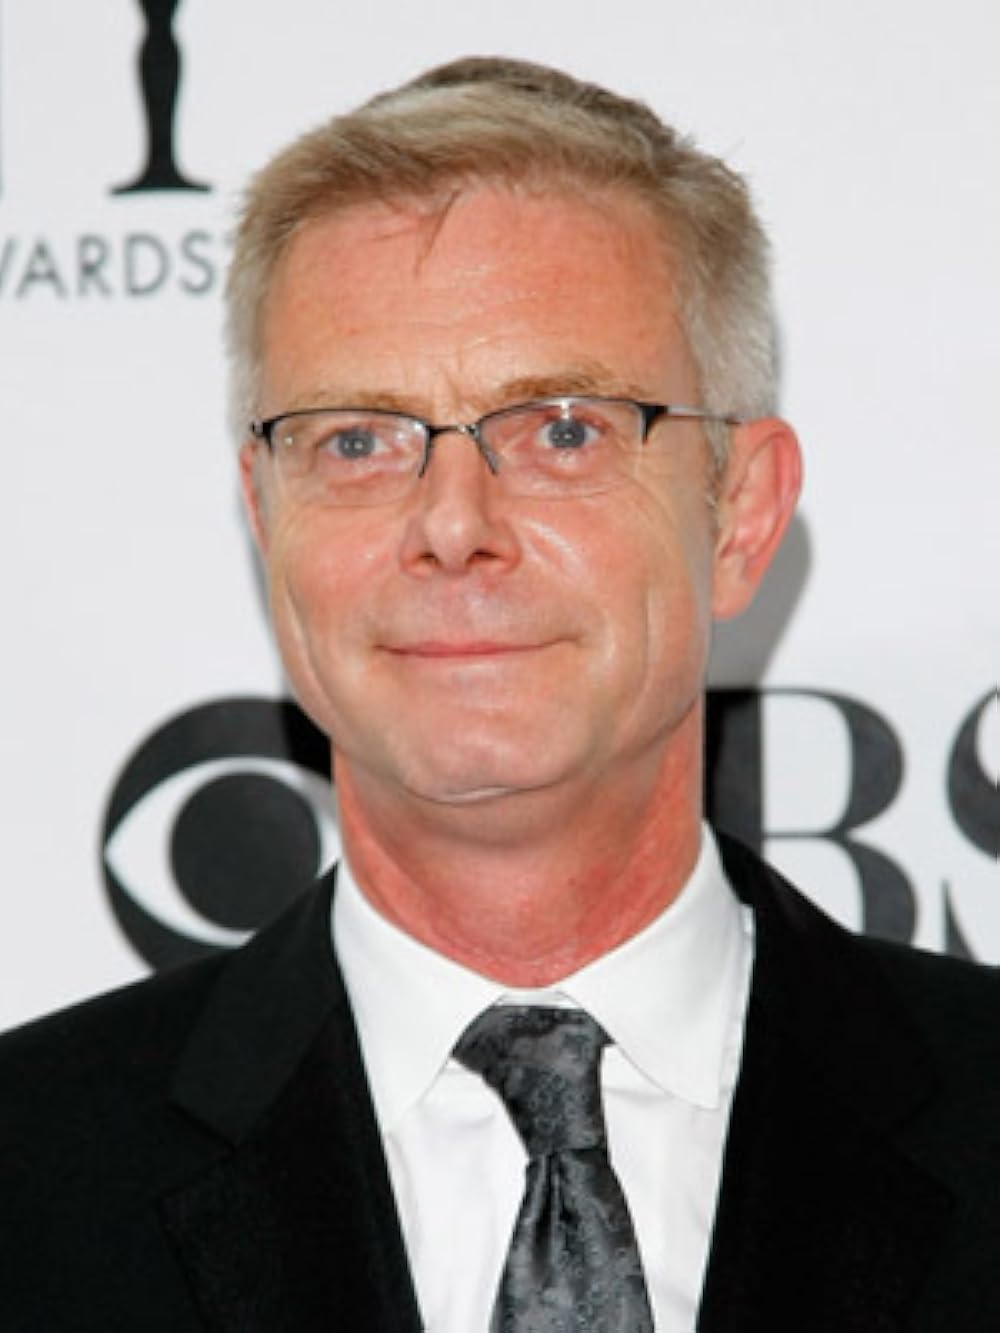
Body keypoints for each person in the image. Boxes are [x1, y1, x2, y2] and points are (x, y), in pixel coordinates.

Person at [1, 56, 998, 1332]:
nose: (452, 525)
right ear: (264, 512)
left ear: (740, 513)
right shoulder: (29, 1173)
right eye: (356, 439)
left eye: (563, 428)